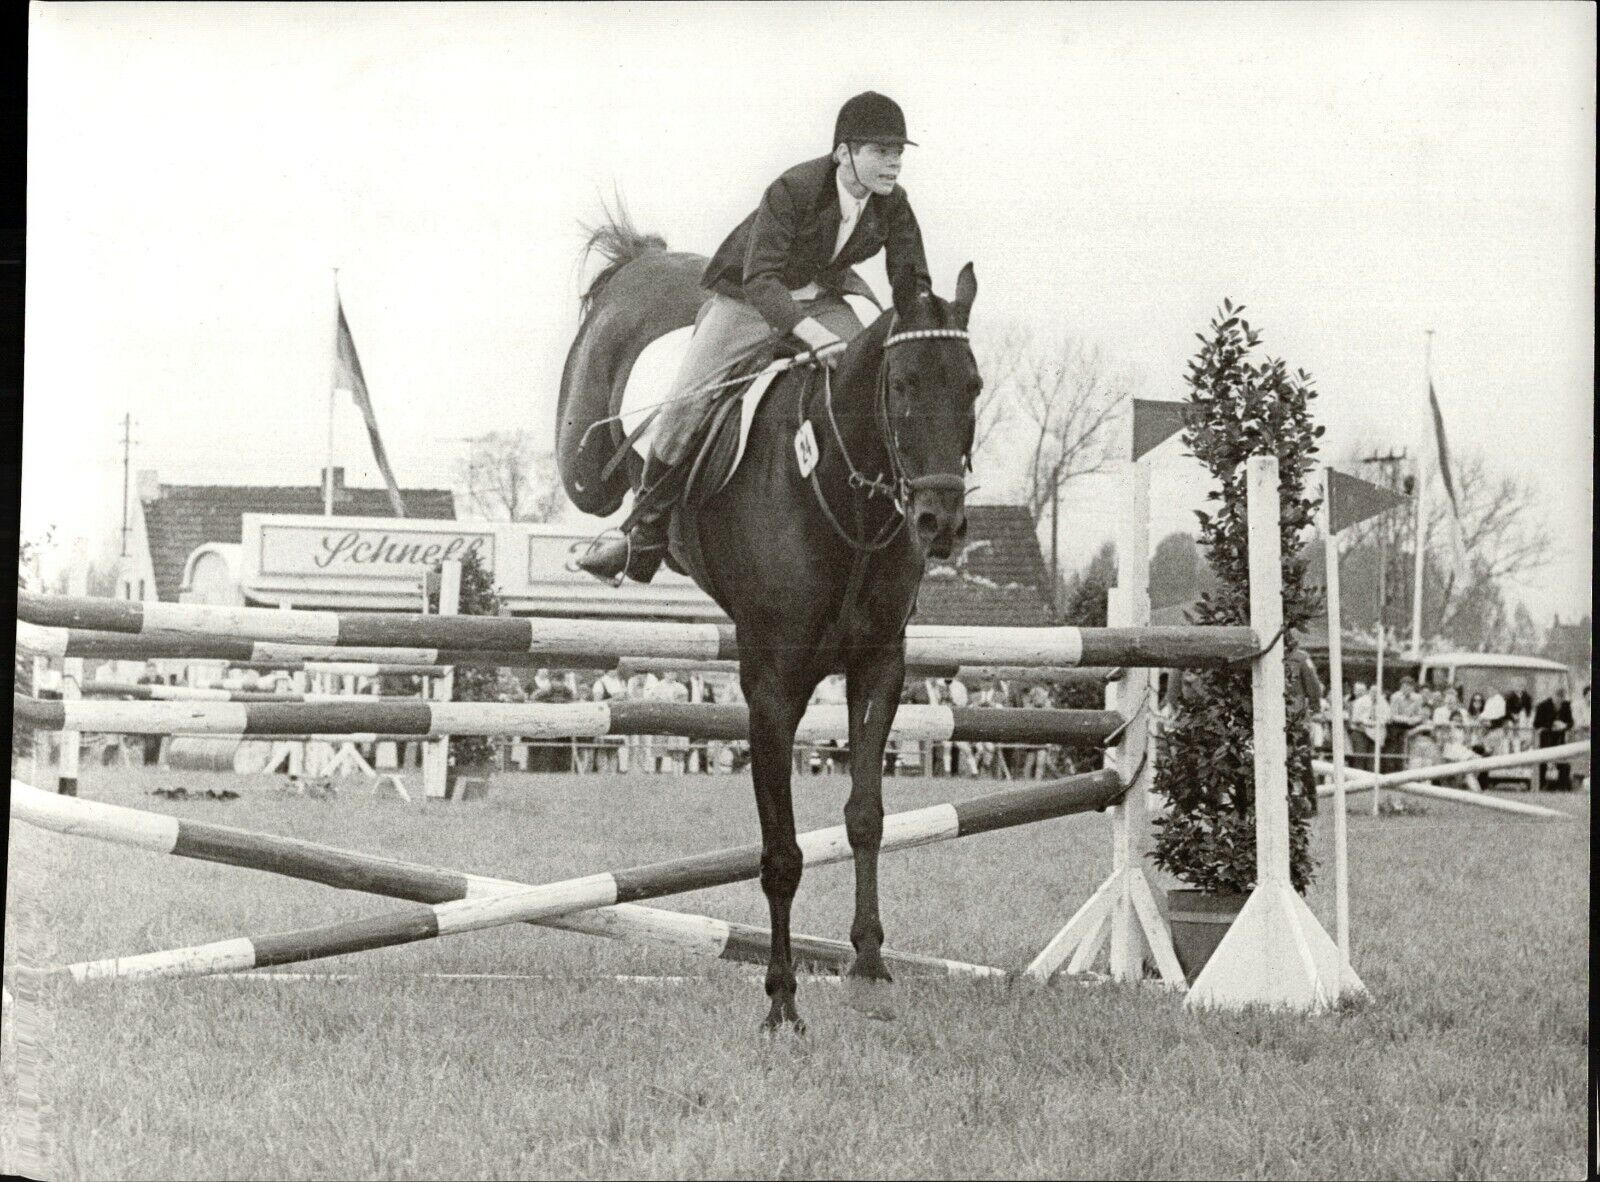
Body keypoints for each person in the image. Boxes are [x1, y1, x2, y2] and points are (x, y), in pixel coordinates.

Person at [579, 91, 932, 583]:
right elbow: (760, 279)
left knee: (866, 381)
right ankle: (645, 534)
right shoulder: (793, 189)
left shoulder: (893, 204)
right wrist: (810, 333)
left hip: (824, 299)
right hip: (750, 301)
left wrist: (923, 322)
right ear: (843, 153)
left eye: (898, 152)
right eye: (879, 150)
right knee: (685, 404)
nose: (893, 162)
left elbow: (909, 277)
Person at [1283, 641, 1323, 814]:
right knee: (1300, 761)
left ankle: (1309, 803)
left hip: (1293, 718)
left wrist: (1313, 709)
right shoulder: (1298, 658)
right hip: (1287, 716)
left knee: (1302, 761)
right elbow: (1314, 688)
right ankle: (1302, 803)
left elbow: (1314, 688)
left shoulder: (1300, 658)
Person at [1532, 686, 1574, 791]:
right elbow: (1537, 723)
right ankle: (1542, 785)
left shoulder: (1566, 706)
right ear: (1552, 696)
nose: (1559, 700)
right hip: (1546, 739)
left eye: (1561, 698)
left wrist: (1564, 726)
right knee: (1544, 761)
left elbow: (1571, 722)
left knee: (1563, 762)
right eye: (1557, 697)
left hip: (1560, 739)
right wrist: (1552, 725)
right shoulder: (1542, 706)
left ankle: (1561, 786)